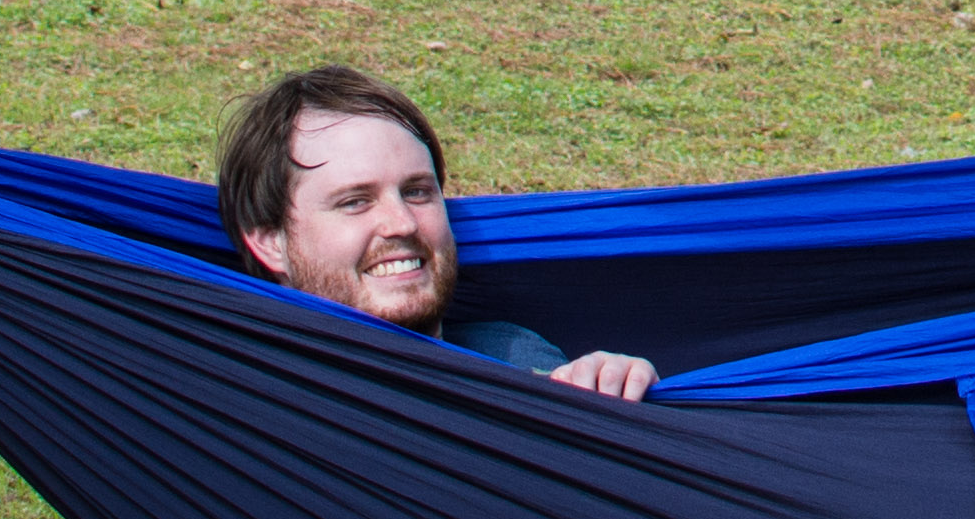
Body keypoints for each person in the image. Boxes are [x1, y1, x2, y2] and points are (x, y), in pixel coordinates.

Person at [217, 62, 656, 399]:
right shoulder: (242, 399)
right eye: (355, 202)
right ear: (269, 242)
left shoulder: (512, 353)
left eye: (417, 192)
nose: (402, 223)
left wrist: (620, 397)